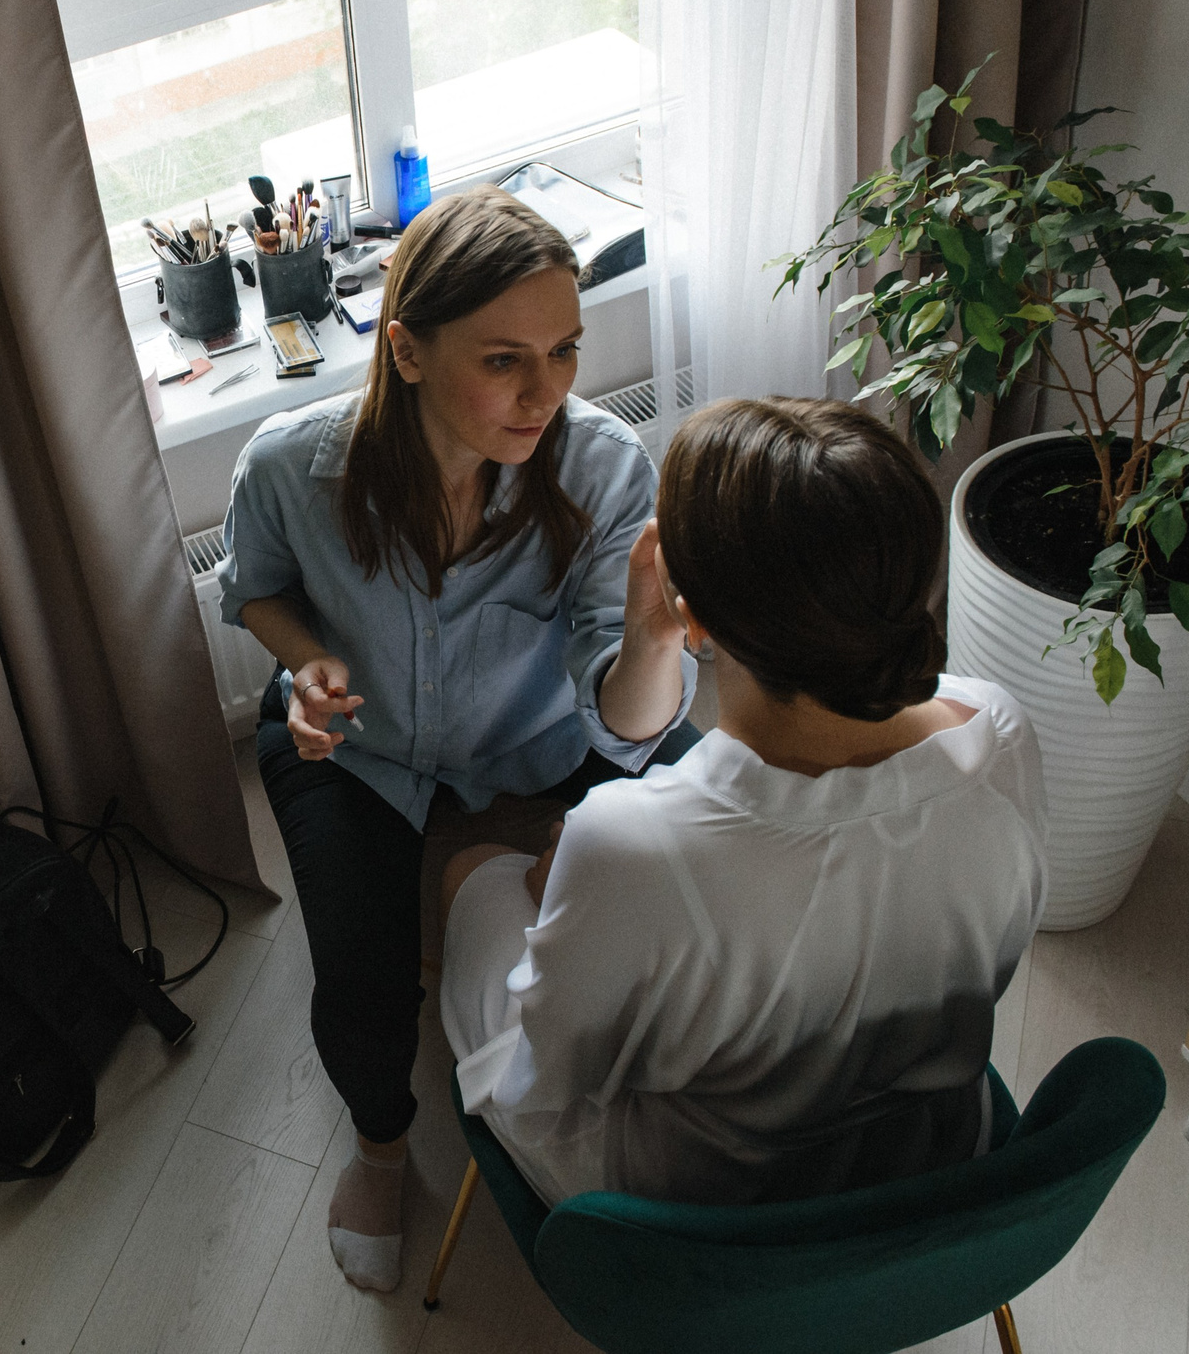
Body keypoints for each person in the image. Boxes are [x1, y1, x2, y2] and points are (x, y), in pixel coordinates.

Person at [215, 187, 699, 1292]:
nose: (547, 393)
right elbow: (256, 590)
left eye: (565, 351)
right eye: (504, 361)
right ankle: (382, 1147)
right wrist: (304, 663)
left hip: (546, 738)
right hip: (359, 748)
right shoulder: (290, 466)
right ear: (410, 349)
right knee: (360, 972)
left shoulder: (602, 471)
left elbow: (621, 720)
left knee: (683, 871)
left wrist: (650, 638)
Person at [437, 396, 1048, 1209]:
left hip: (705, 1214)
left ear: (689, 609)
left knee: (474, 875)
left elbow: (542, 1086)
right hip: (928, 1149)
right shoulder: (1001, 733)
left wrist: (577, 907)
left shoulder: (627, 842)